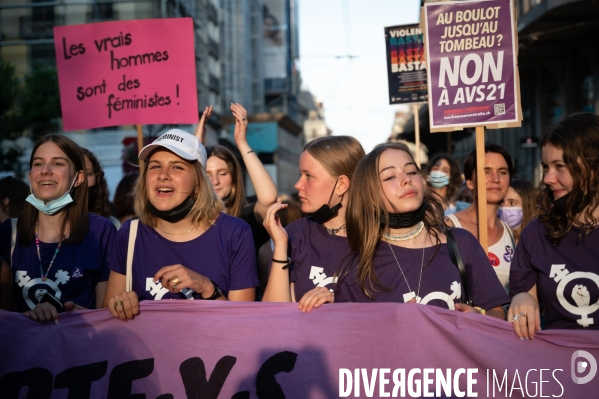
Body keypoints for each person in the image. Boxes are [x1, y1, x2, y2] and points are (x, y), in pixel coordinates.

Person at [334, 142, 509, 319]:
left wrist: (479, 318)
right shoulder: (356, 267)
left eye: (411, 171)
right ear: (370, 196)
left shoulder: (462, 243)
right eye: (389, 177)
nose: (406, 179)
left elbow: (497, 313)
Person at [103, 129, 258, 321]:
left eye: (177, 167)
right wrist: (120, 304)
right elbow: (105, 321)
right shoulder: (129, 234)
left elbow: (245, 325)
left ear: (199, 184)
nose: (163, 175)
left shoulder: (235, 233)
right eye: (155, 166)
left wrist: (208, 289)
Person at [0, 135, 116, 322]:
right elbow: (4, 317)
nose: (45, 171)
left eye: (58, 164)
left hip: (79, 347)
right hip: (25, 350)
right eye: (38, 164)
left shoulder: (101, 232)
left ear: (78, 178)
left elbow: (108, 316)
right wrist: (27, 318)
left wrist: (79, 315)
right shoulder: (9, 232)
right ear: (30, 176)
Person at [509, 113, 599, 338]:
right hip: (559, 366)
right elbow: (523, 297)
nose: (548, 178)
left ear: (593, 167)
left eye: (560, 166)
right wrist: (522, 299)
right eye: (546, 167)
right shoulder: (536, 233)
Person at [262, 136, 365, 311]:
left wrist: (338, 301)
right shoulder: (295, 235)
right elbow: (273, 315)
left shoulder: (380, 236)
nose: (298, 185)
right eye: (300, 175)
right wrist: (280, 246)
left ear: (341, 185)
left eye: (309, 176)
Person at [197, 103, 277, 297]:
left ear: (234, 177)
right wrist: (195, 148)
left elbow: (268, 196)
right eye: (207, 174)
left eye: (222, 173)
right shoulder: (188, 219)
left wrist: (242, 143)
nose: (214, 181)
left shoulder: (246, 218)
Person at [445, 145, 515, 291]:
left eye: (502, 172)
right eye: (486, 172)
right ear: (470, 182)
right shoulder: (449, 227)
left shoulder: (508, 231)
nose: (495, 179)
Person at [82, 148, 121, 229]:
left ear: (97, 178)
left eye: (88, 174)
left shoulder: (112, 224)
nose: (81, 180)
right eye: (75, 173)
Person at [498, 178, 537, 244]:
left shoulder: (538, 242)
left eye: (512, 203)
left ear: (527, 206)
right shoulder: (493, 240)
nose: (504, 207)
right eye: (502, 202)